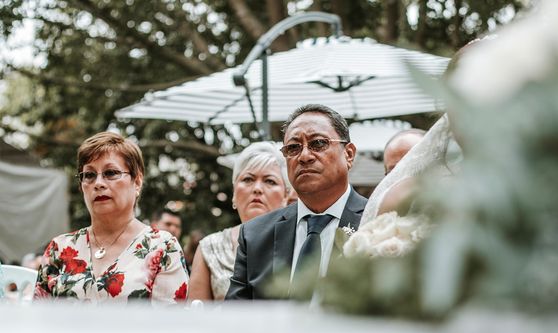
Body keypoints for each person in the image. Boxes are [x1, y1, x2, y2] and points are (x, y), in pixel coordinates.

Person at [225, 104, 368, 300]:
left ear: (349, 154)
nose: (305, 156)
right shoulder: (255, 235)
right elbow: (236, 318)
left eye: (318, 143)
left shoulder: (377, 220)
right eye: (293, 148)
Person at [34, 131, 189, 303]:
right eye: (90, 175)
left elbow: (170, 325)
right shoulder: (59, 249)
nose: (98, 183)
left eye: (111, 173)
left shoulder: (163, 247)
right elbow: (39, 322)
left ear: (137, 182)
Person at [188, 142, 289, 301]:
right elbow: (196, 318)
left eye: (270, 181)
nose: (257, 188)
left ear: (286, 196)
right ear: (234, 193)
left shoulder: (298, 242)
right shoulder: (210, 248)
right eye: (248, 179)